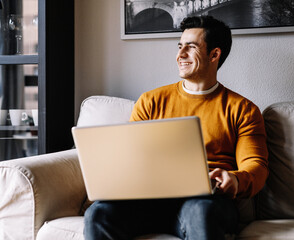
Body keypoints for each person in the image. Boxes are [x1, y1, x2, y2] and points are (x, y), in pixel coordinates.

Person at [84, 16, 269, 240]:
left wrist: (236, 179)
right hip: (149, 199)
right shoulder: (150, 101)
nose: (180, 55)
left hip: (206, 202)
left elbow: (255, 165)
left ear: (214, 54)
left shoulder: (243, 109)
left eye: (190, 48)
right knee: (98, 213)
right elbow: (131, 157)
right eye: (180, 47)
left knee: (201, 212)